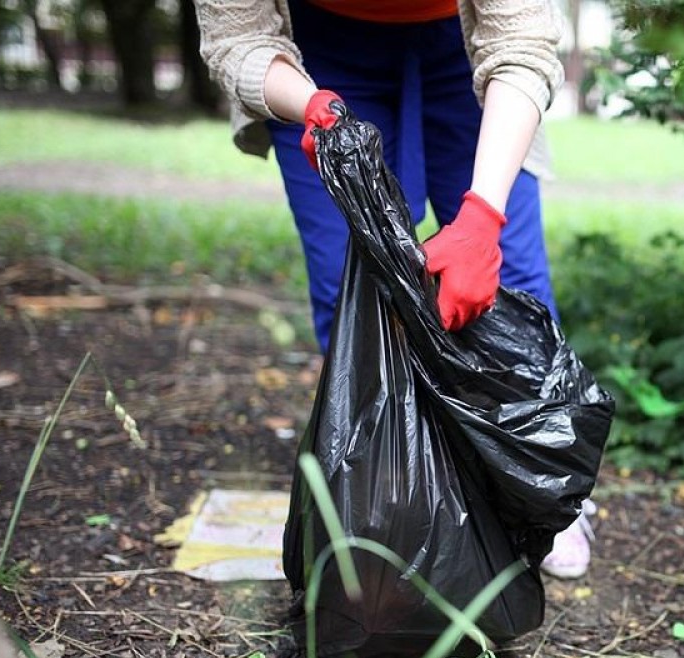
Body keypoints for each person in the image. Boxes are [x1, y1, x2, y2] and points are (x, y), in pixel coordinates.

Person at [195, 0, 593, 579]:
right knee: (349, 284)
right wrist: (311, 106)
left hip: (463, 43)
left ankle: (541, 496)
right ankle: (384, 495)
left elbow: (522, 42)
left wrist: (482, 219)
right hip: (317, 54)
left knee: (510, 276)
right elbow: (237, 38)